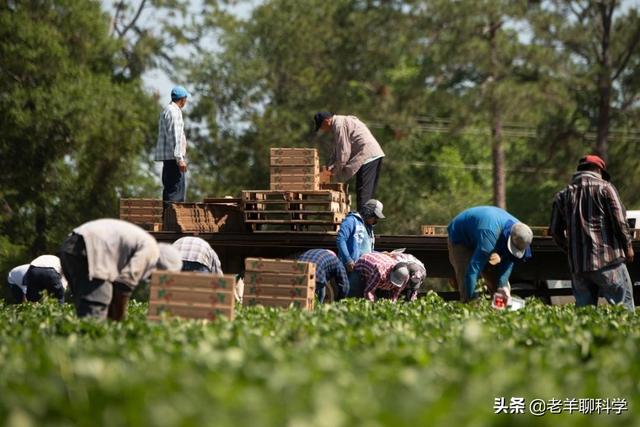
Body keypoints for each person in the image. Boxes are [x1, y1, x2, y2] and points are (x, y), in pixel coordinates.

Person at [550, 155, 635, 312]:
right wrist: (628, 247)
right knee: (624, 311)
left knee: (584, 316)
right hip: (609, 262)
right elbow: (620, 221)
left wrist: (570, 250)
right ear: (598, 170)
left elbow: (555, 232)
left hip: (579, 267)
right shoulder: (605, 188)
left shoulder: (562, 195)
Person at [59, 219, 182, 321]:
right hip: (87, 248)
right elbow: (124, 285)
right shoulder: (152, 250)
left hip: (70, 246)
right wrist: (119, 321)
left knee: (86, 306)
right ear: (162, 267)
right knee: (96, 310)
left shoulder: (143, 242)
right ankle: (93, 346)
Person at [447, 206, 533, 303]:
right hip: (461, 236)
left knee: (498, 284)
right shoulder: (489, 236)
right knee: (465, 278)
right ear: (509, 238)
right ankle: (468, 307)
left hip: (483, 231)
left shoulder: (521, 234)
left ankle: (497, 310)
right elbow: (473, 271)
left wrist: (503, 286)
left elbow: (508, 261)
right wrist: (471, 300)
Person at [314, 112, 385, 209]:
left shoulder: (339, 125)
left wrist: (332, 172)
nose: (322, 130)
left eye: (321, 126)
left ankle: (362, 222)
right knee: (368, 197)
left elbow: (344, 154)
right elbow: (337, 152)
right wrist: (330, 167)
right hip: (375, 154)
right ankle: (367, 223)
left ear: (326, 121)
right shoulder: (341, 122)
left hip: (367, 155)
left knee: (363, 196)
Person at [336, 199, 385, 296]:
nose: (376, 220)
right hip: (351, 268)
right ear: (368, 212)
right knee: (348, 296)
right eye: (375, 217)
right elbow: (341, 239)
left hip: (362, 270)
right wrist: (348, 260)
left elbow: (368, 250)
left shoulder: (369, 228)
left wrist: (382, 254)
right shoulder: (351, 220)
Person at [155, 86, 191, 207]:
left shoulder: (167, 110)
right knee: (176, 195)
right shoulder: (174, 111)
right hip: (174, 160)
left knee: (170, 191)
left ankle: (168, 221)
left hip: (170, 159)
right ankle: (173, 223)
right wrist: (180, 159)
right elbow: (175, 136)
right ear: (182, 99)